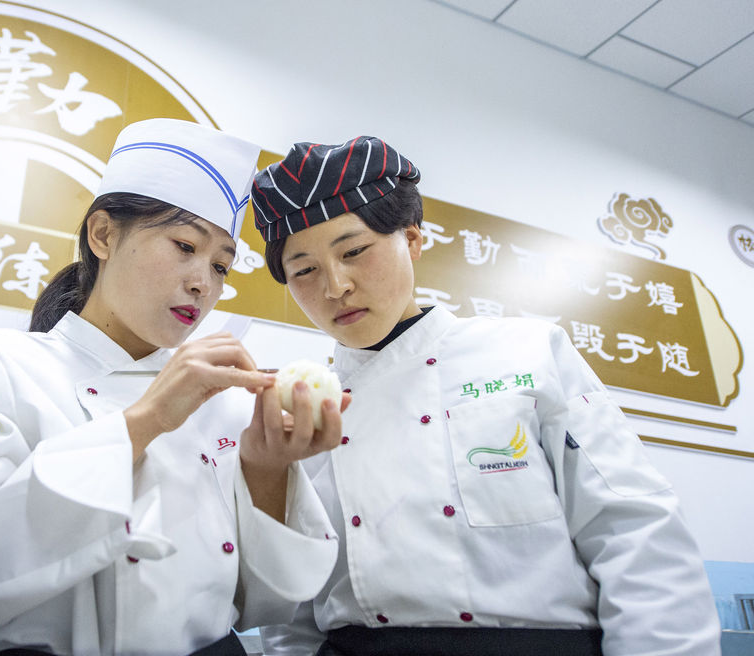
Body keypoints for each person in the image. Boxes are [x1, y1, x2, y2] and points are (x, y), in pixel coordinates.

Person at [0, 119, 347, 656]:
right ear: (103, 234)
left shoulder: (224, 404)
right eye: (184, 245)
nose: (203, 282)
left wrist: (267, 468)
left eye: (222, 266)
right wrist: (147, 420)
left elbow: (268, 604)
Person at [250, 136, 721, 656]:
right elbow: (292, 603)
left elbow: (633, 530)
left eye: (354, 251)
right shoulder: (302, 408)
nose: (335, 286)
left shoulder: (528, 353)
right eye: (304, 270)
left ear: (412, 239)